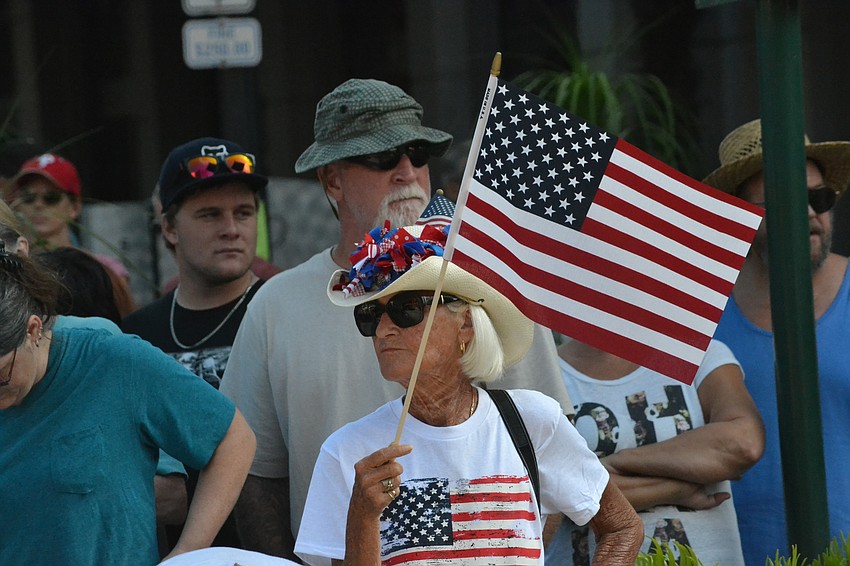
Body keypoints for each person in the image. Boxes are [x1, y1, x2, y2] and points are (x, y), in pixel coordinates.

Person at [220, 78, 576, 557]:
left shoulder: (484, 285)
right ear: (332, 180)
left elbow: (548, 454)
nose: (407, 171)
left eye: (417, 153)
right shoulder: (274, 306)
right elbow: (254, 475)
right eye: (382, 157)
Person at [293, 222, 643, 564]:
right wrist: (364, 517)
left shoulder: (532, 421)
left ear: (466, 325)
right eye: (370, 315)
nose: (383, 330)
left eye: (407, 309)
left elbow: (623, 528)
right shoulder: (347, 452)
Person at [0, 251, 256, 564]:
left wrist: (188, 553)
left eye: (1, 377)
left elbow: (233, 439)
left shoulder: (113, 361)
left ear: (33, 330)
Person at [703, 118, 850, 564]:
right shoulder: (701, 314)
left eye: (819, 197)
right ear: (739, 215)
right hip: (731, 553)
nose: (809, 213)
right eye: (786, 199)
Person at [122, 136, 269, 552]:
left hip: (277, 550)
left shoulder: (284, 312)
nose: (231, 229)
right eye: (209, 214)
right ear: (169, 227)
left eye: (244, 212)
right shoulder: (135, 335)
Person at [545, 338, 764, 565]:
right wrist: (676, 489)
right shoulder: (545, 375)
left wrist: (615, 465)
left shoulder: (697, 353)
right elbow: (558, 495)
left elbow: (742, 445)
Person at [4, 152, 136, 315]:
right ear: (16, 205)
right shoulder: (10, 269)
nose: (38, 205)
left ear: (75, 207)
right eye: (28, 197)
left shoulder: (104, 270)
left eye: (51, 197)